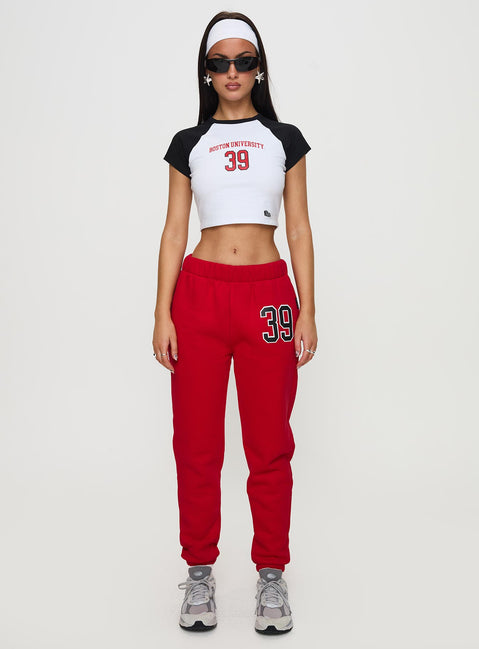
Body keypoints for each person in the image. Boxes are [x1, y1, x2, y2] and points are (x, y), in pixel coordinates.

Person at [153, 11, 317, 635]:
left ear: (259, 70)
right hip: (198, 296)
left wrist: (308, 309)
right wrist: (162, 312)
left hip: (268, 297)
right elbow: (174, 231)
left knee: (269, 444)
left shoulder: (285, 140)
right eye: (219, 62)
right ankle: (199, 573)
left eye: (243, 62)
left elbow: (298, 227)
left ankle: (271, 575)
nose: (231, 72)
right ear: (206, 72)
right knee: (196, 445)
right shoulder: (188, 143)